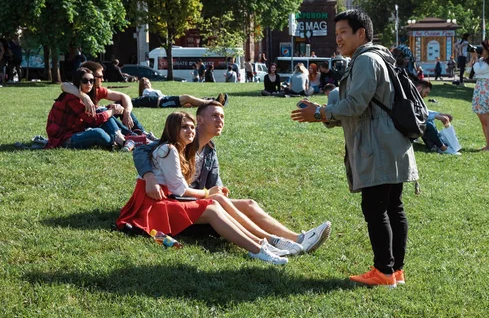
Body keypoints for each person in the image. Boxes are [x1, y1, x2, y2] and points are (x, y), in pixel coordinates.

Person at [291, 9, 418, 288]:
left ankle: (384, 272)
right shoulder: (381, 57)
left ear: (361, 33)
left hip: (378, 146)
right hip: (392, 142)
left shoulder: (365, 60)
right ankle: (395, 271)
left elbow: (355, 105)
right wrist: (326, 115)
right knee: (393, 207)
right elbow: (364, 109)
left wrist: (321, 113)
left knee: (375, 208)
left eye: (343, 33)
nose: (338, 39)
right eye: (336, 34)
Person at [131, 103, 331, 256]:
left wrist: (219, 191)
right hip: (179, 201)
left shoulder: (210, 149)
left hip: (196, 198)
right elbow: (142, 149)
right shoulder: (181, 140)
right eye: (215, 116)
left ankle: (298, 239)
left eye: (222, 117)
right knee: (221, 203)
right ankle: (271, 241)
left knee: (249, 203)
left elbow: (215, 184)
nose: (220, 120)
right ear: (200, 120)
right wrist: (149, 177)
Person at [117, 110, 289, 264]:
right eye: (184, 127)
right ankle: (258, 250)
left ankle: (261, 244)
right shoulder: (168, 150)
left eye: (192, 127)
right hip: (153, 205)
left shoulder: (177, 149)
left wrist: (213, 193)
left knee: (215, 204)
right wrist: (208, 192)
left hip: (163, 200)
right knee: (211, 209)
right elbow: (180, 190)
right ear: (172, 129)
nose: (190, 131)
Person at [61, 61, 149, 138]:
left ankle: (142, 133)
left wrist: (127, 113)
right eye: (100, 76)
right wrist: (84, 96)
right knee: (103, 111)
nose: (102, 79)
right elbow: (64, 85)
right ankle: (129, 136)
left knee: (119, 105)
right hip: (86, 123)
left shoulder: (98, 90)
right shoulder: (75, 89)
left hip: (96, 118)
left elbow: (124, 97)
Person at [45, 68, 126, 149]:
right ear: (78, 81)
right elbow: (93, 120)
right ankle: (117, 140)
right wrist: (112, 111)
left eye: (91, 81)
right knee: (98, 133)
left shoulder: (83, 95)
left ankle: (123, 137)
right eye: (85, 80)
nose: (89, 83)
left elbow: (94, 111)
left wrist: (110, 107)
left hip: (76, 130)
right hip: (63, 139)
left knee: (103, 112)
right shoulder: (71, 97)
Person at [468, 40, 489, 152]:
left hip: (485, 89)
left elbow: (478, 70)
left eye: (482, 48)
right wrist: (473, 60)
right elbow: (469, 72)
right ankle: (487, 145)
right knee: (482, 119)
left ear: (487, 49)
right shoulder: (481, 60)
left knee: (487, 120)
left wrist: (476, 60)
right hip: (479, 88)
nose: (480, 50)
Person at [415, 80, 460, 155]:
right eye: (426, 92)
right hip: (404, 125)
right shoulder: (410, 97)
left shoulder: (415, 97)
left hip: (410, 123)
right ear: (419, 88)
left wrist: (440, 114)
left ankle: (434, 145)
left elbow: (423, 111)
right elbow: (416, 114)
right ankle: (443, 148)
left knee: (429, 121)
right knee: (428, 124)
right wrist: (436, 116)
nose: (426, 95)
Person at [132, 77, 227, 108]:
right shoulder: (145, 92)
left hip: (166, 99)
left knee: (190, 102)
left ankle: (211, 101)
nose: (147, 85)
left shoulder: (152, 90)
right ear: (142, 86)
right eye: (144, 84)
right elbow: (144, 99)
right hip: (163, 102)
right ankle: (215, 102)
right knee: (187, 98)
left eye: (148, 82)